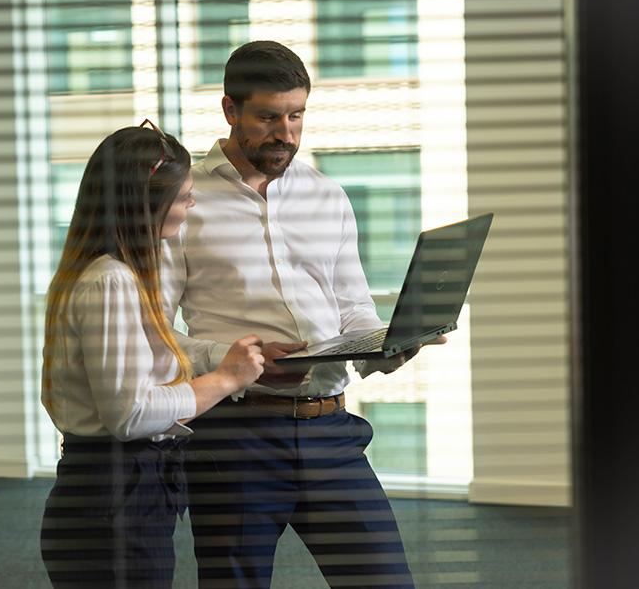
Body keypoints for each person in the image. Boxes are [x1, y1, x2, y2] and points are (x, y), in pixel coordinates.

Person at [162, 41, 445, 588]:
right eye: (268, 117)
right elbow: (157, 329)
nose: (285, 133)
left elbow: (353, 309)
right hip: (237, 436)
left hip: (330, 432)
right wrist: (231, 360)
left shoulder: (327, 196)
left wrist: (386, 346)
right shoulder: (186, 201)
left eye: (296, 116)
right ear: (230, 111)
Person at [39, 122, 266, 589]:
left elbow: (160, 342)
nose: (192, 204)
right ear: (146, 203)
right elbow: (131, 413)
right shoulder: (112, 283)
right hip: (114, 497)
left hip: (116, 492)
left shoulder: (108, 273)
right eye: (183, 196)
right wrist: (225, 380)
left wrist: (231, 357)